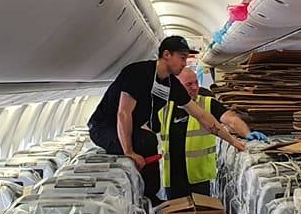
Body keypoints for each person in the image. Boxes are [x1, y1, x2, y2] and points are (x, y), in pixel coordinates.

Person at [87, 36, 247, 202]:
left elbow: (201, 115)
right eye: (182, 58)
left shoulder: (171, 85)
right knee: (141, 144)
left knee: (149, 141)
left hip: (128, 127)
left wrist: (233, 141)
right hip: (102, 128)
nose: (185, 63)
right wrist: (129, 152)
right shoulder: (138, 73)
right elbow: (123, 113)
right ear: (166, 54)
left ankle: (150, 196)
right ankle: (137, 197)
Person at [158, 67, 253, 200]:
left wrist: (247, 134)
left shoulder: (207, 103)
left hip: (199, 178)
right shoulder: (164, 107)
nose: (195, 87)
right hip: (172, 179)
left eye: (196, 82)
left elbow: (231, 119)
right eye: (189, 84)